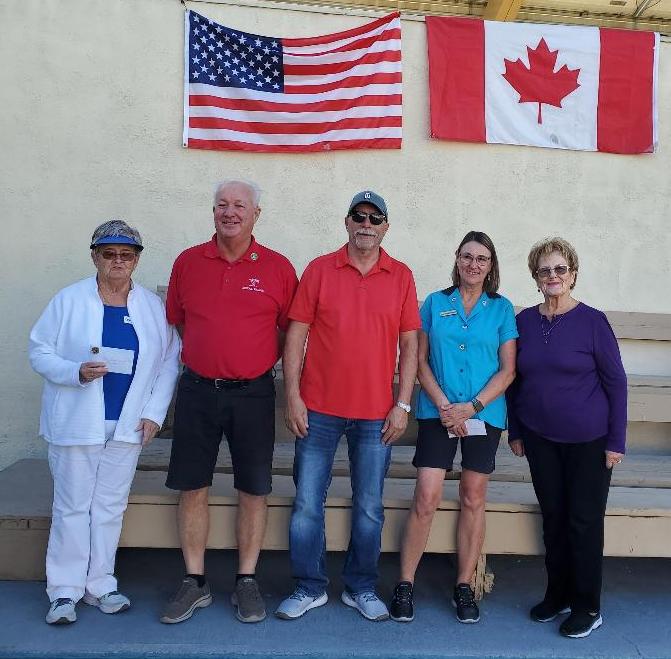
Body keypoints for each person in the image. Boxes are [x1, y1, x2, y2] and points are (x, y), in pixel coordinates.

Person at [275, 190, 420, 622]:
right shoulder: (319, 270)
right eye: (359, 216)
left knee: (370, 507)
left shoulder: (401, 275)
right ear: (347, 221)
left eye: (375, 218)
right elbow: (296, 335)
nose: (366, 224)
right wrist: (292, 396)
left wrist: (403, 404)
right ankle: (309, 586)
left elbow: (410, 344)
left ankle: (361, 588)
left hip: (377, 413)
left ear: (386, 227)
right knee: (307, 503)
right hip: (318, 409)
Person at [29, 220, 180, 625]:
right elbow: (39, 350)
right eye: (109, 253)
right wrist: (74, 371)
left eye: (126, 255)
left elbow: (169, 360)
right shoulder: (69, 299)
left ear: (136, 260)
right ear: (95, 257)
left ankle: (100, 585)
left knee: (110, 507)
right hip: (76, 421)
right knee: (72, 507)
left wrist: (153, 413)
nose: (118, 261)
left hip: (128, 424)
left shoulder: (151, 306)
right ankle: (64, 591)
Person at [160, 179, 298, 625]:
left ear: (257, 214)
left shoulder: (278, 268)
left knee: (253, 489)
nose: (230, 212)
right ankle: (194, 580)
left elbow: (289, 331)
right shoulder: (188, 262)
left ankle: (246, 579)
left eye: (240, 205)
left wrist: (251, 360)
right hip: (198, 390)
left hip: (253, 394)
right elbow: (179, 322)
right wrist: (213, 355)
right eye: (222, 204)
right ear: (213, 211)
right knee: (192, 486)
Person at [389, 231, 517, 625]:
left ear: (490, 266)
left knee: (473, 495)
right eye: (467, 256)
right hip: (438, 412)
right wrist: (446, 406)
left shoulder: (501, 308)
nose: (473, 264)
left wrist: (471, 407)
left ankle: (464, 583)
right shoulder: (434, 303)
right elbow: (419, 360)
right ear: (457, 259)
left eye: (482, 259)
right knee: (426, 495)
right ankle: (405, 583)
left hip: (483, 413)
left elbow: (508, 370)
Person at [506, 237, 627, 639]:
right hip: (540, 439)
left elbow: (616, 383)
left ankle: (588, 606)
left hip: (590, 441)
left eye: (560, 269)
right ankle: (557, 595)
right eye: (544, 270)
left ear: (573, 275)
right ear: (535, 277)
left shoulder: (593, 322)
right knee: (554, 520)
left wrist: (616, 441)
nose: (552, 276)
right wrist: (517, 430)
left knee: (583, 522)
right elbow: (515, 381)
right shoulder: (525, 322)